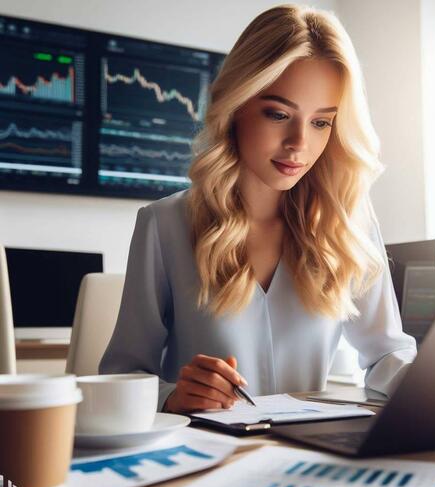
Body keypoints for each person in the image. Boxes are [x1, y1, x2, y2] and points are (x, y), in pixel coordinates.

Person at [99, 4, 417, 413]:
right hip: (205, 458)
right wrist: (173, 396)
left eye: (321, 122)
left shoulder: (346, 226)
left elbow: (387, 354)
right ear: (237, 106)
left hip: (306, 457)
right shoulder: (165, 224)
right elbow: (122, 373)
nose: (299, 143)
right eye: (278, 114)